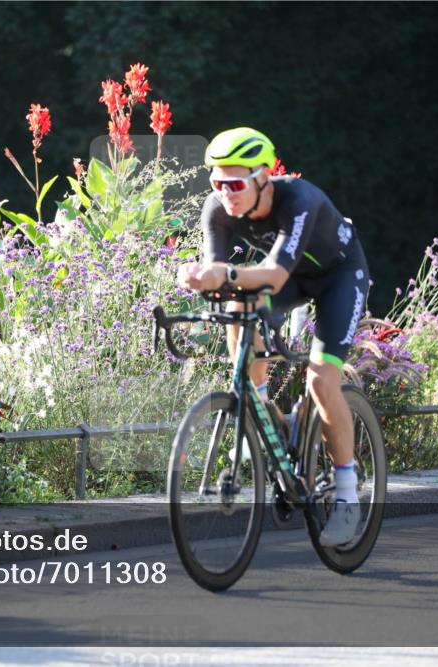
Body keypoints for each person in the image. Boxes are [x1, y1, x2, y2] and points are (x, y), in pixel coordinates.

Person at [176, 127, 370, 547]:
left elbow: (275, 273)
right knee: (235, 303)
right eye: (217, 182)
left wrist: (224, 274)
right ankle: (259, 406)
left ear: (263, 176)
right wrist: (198, 278)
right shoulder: (218, 210)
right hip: (292, 281)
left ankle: (347, 494)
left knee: (321, 380)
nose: (225, 192)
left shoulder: (298, 200)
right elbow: (221, 276)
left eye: (236, 182)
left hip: (338, 275)